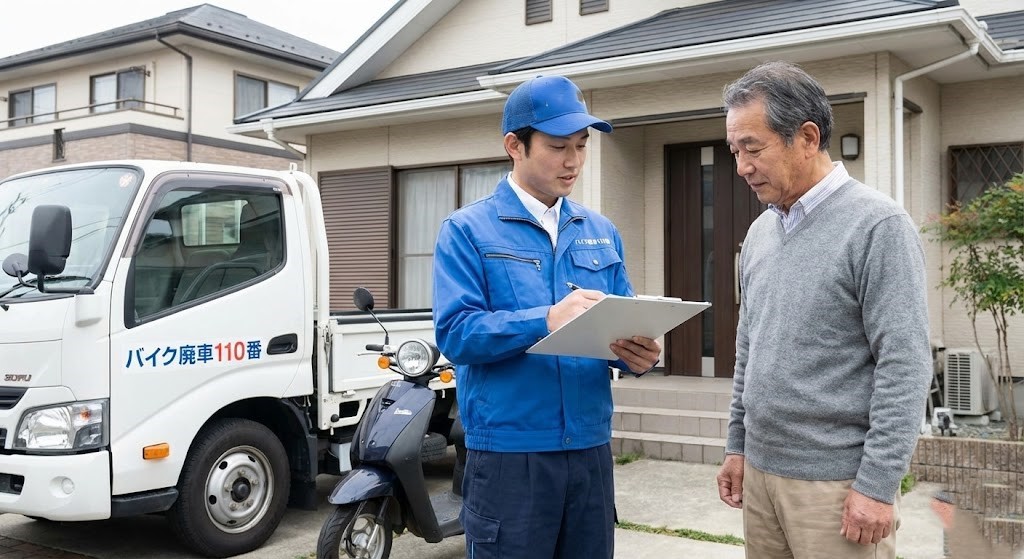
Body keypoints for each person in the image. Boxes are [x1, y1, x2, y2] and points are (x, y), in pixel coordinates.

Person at [432, 75, 661, 559]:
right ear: (515, 145)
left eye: (581, 145)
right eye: (558, 146)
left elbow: (622, 322)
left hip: (590, 448)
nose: (573, 160)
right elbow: (456, 333)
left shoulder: (599, 230)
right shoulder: (467, 230)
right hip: (511, 454)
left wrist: (638, 354)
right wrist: (545, 319)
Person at [714, 61, 932, 559]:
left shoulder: (878, 226)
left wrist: (877, 485)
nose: (742, 165)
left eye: (753, 148)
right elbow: (749, 346)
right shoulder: (761, 232)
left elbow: (905, 364)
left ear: (807, 137)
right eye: (735, 151)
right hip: (762, 478)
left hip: (837, 486)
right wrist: (737, 445)